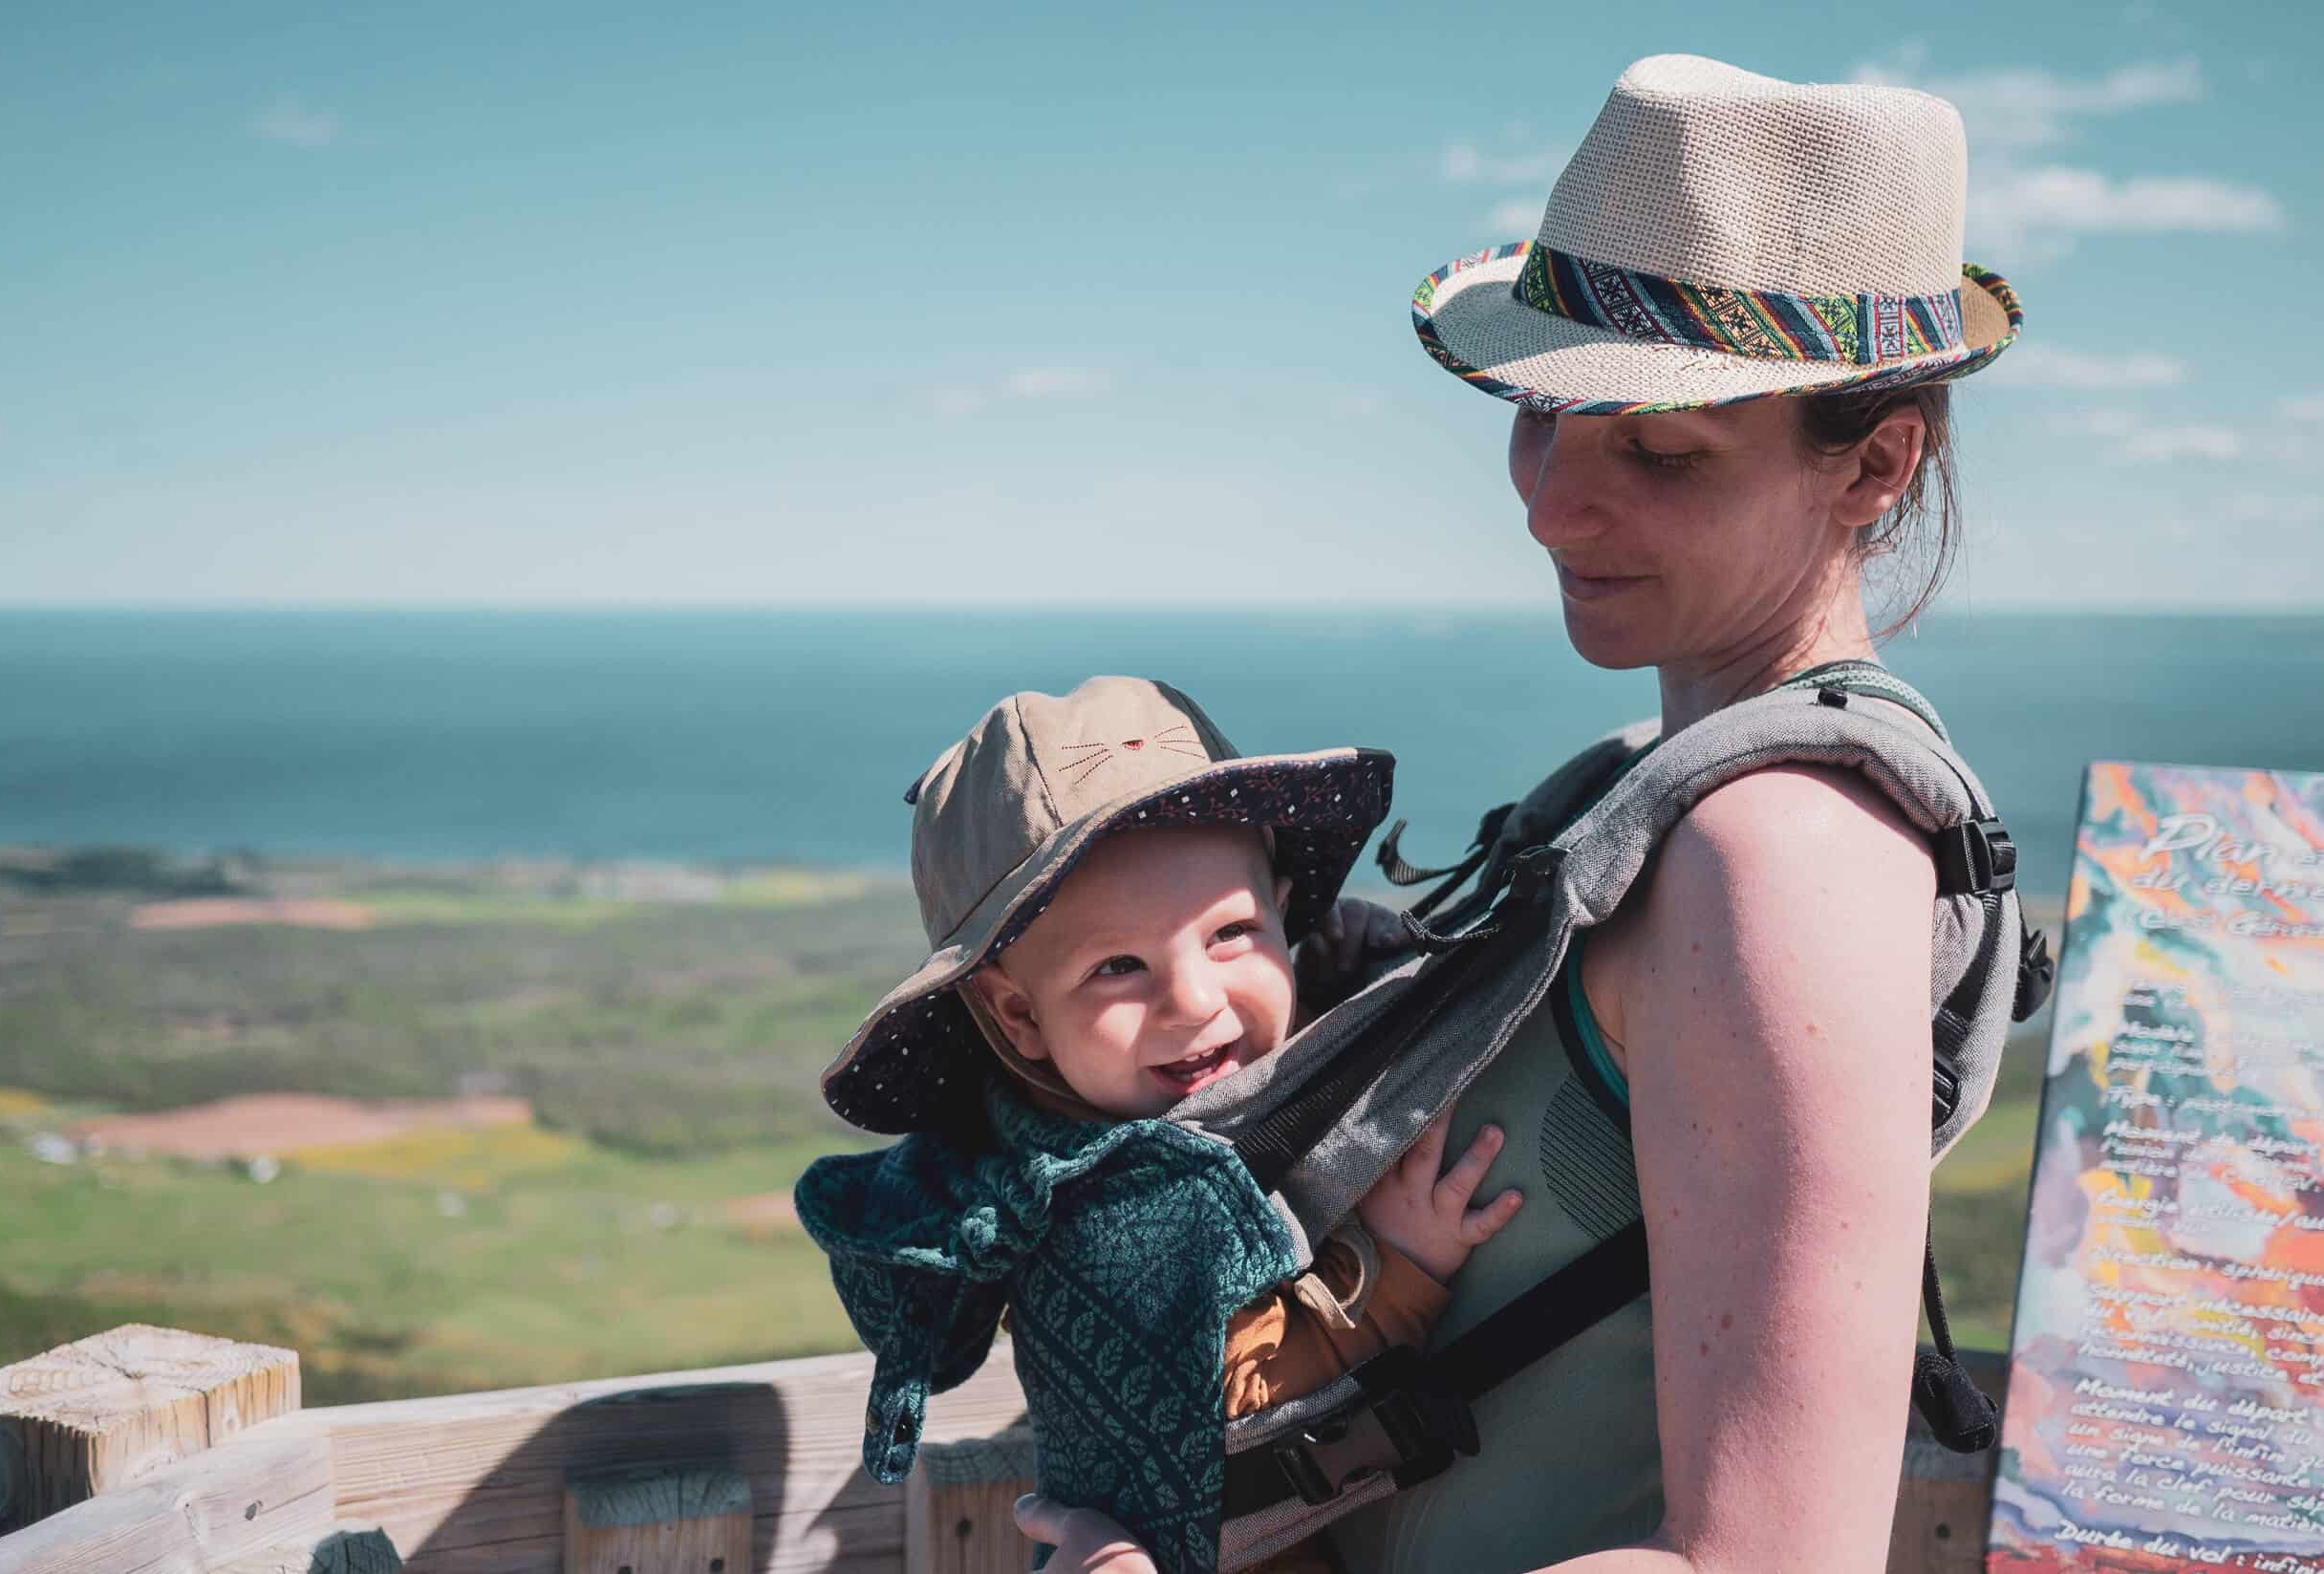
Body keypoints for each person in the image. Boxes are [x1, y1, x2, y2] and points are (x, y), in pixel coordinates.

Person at [1014, 53, 2028, 1574]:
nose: (1549, 501)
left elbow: (1761, 1559)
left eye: (1658, 449)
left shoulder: (1783, 852)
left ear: (1874, 461)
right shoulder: (1660, 778)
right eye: (1541, 416)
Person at [794, 675, 1523, 1573]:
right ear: (1018, 1014)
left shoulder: (1260, 1087)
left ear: (1286, 911)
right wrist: (1398, 1272)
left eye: (1230, 934)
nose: (1193, 1000)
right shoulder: (1096, 1208)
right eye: (1119, 966)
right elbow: (1232, 1408)